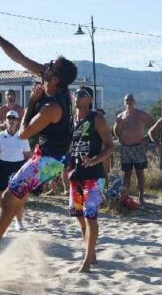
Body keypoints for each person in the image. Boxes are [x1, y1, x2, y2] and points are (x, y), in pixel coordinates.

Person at [0, 15, 77, 263]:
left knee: (7, 197)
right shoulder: (53, 82)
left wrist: (32, 102)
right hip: (46, 154)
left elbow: (23, 133)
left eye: (50, 66)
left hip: (50, 161)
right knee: (12, 198)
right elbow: (17, 55)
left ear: (55, 79)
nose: (45, 66)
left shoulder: (51, 107)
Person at [68, 86, 114, 273]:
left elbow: (110, 146)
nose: (76, 97)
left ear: (90, 100)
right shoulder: (71, 120)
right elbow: (69, 148)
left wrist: (96, 159)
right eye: (75, 93)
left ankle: (87, 261)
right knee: (79, 215)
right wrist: (65, 170)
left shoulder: (97, 119)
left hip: (94, 175)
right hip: (76, 174)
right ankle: (91, 252)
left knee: (90, 216)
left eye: (81, 94)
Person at [0, 110, 32, 231]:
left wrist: (28, 174)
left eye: (14, 118)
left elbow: (28, 157)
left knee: (18, 198)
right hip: (3, 166)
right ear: (6, 120)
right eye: (9, 118)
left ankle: (18, 222)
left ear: (18, 121)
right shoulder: (0, 136)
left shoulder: (22, 137)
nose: (11, 120)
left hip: (18, 167)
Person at [114, 93, 153, 204]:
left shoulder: (141, 114)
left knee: (140, 173)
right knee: (127, 173)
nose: (128, 102)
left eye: (130, 100)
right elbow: (115, 129)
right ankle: (126, 196)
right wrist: (119, 138)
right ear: (124, 102)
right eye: (126, 100)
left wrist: (147, 138)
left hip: (138, 147)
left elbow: (153, 124)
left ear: (134, 102)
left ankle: (141, 197)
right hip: (126, 148)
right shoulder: (121, 116)